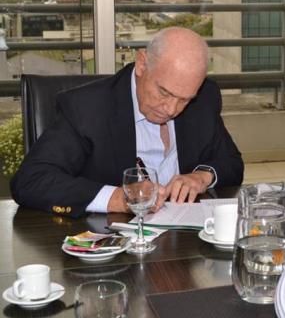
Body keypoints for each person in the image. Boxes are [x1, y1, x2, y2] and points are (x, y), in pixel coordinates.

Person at [11, 27, 244, 218]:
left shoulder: (204, 98)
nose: (172, 109)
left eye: (184, 99)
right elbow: (31, 180)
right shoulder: (86, 108)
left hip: (183, 244)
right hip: (111, 245)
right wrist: (120, 198)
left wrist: (202, 176)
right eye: (164, 92)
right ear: (142, 63)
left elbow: (231, 163)